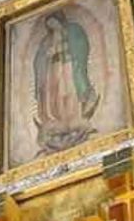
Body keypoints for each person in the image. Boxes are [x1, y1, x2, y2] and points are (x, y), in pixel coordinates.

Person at [32, 9, 100, 155]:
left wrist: (63, 50)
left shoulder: (71, 32)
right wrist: (48, 54)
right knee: (54, 94)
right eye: (50, 26)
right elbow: (40, 59)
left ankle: (73, 118)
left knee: (68, 91)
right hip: (53, 69)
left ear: (59, 21)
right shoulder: (47, 40)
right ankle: (58, 121)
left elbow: (79, 47)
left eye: (54, 24)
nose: (52, 28)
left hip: (68, 66)